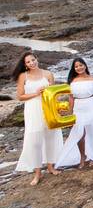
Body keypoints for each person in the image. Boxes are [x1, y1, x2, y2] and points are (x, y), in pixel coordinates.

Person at [13, 52, 63, 185]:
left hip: (48, 108)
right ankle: (37, 173)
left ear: (37, 59)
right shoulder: (23, 76)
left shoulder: (48, 74)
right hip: (32, 110)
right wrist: (35, 94)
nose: (31, 63)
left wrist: (58, 108)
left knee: (51, 137)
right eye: (28, 62)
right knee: (35, 142)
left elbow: (54, 93)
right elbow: (20, 96)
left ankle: (51, 166)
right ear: (25, 65)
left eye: (33, 60)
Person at [55, 58, 93, 169]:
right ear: (74, 69)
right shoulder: (73, 81)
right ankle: (83, 157)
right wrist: (70, 113)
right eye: (76, 66)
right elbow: (71, 98)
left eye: (81, 65)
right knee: (79, 133)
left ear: (85, 66)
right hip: (78, 108)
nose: (79, 68)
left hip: (91, 106)